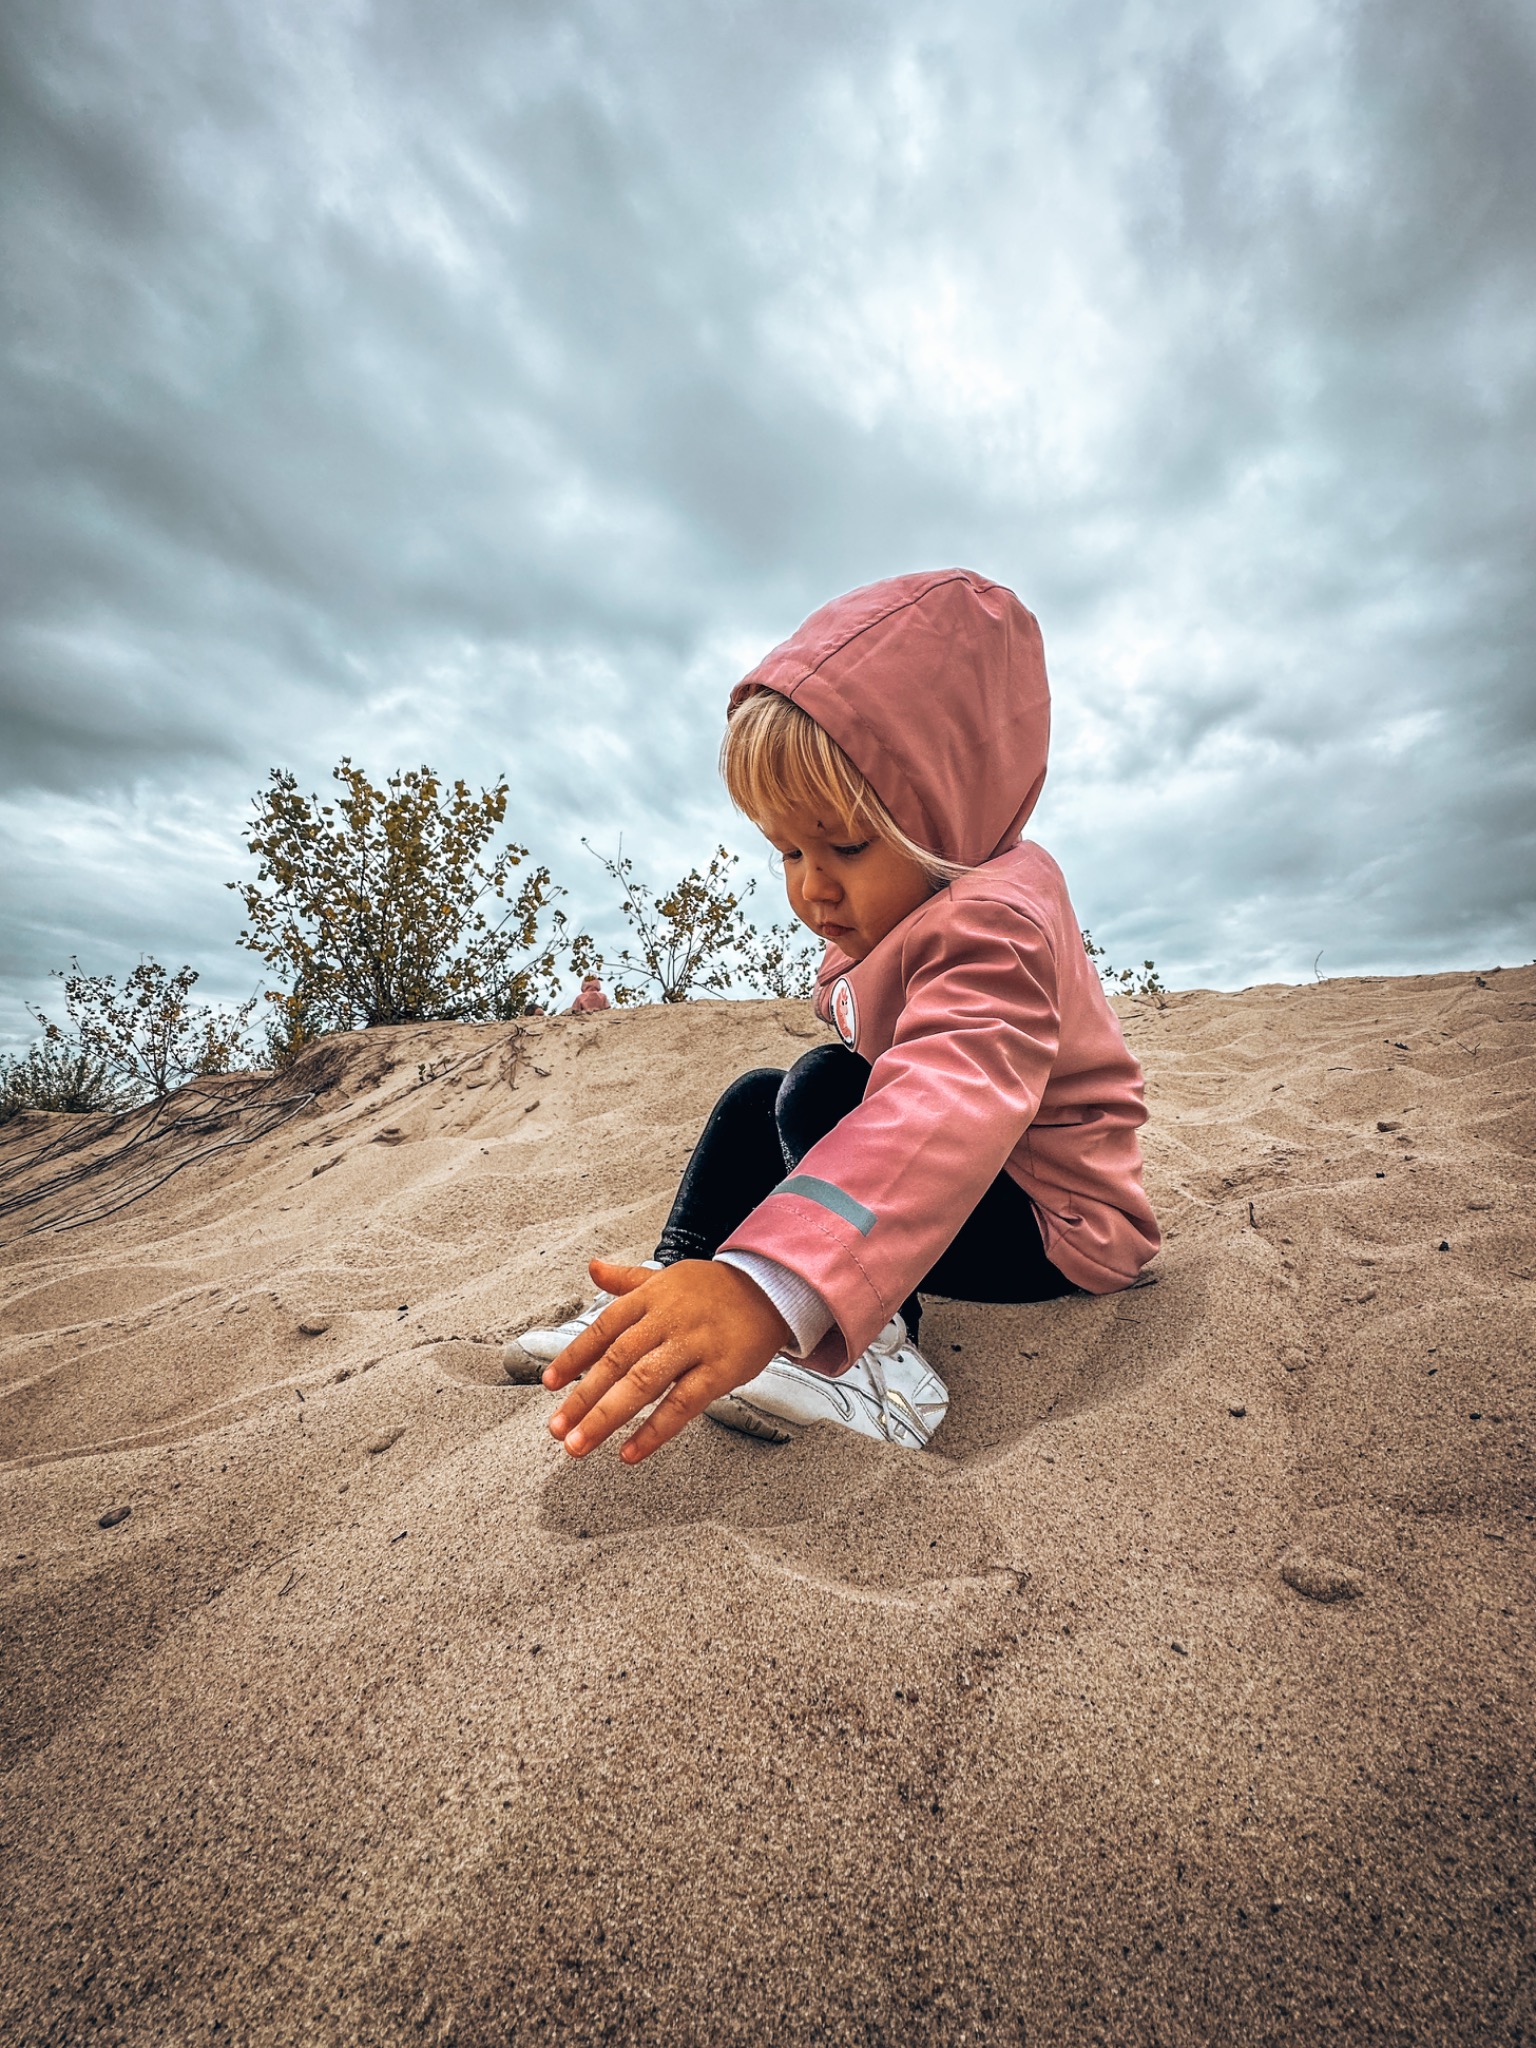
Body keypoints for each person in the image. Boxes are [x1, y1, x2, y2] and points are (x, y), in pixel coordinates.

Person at [513, 569, 1159, 1463]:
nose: (812, 887)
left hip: (1054, 1230)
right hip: (966, 1190)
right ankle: (672, 1294)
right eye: (787, 850)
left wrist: (773, 1287)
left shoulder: (997, 920)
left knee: (825, 1089)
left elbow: (943, 1104)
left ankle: (876, 1359)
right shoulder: (900, 908)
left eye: (848, 845)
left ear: (949, 808)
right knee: (757, 1096)